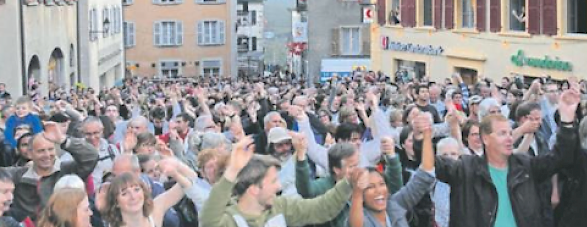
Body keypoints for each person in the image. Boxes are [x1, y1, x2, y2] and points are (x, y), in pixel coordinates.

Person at [433, 88, 580, 227]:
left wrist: (567, 122)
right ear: (485, 138)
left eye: (510, 133)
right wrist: (424, 137)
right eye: (502, 134)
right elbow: (430, 164)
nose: (510, 138)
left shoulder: (526, 167)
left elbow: (560, 158)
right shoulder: (466, 168)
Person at [200, 136, 366, 227]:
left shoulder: (281, 206)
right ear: (254, 189)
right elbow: (209, 222)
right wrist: (232, 171)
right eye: (273, 181)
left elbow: (322, 209)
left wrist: (348, 181)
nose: (279, 186)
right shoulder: (230, 220)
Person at [348, 109, 434, 227]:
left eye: (382, 184)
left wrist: (426, 136)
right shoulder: (361, 219)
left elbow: (424, 176)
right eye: (370, 187)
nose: (378, 191)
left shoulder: (394, 204)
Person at [5, 122, 98, 223]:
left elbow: (91, 157)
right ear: (30, 154)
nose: (47, 155)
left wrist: (64, 140)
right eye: (41, 151)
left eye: (50, 149)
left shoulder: (67, 170)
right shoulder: (17, 175)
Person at [98, 158, 189, 227]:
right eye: (124, 193)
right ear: (116, 202)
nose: (133, 196)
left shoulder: (155, 211)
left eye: (136, 190)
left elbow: (190, 180)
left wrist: (175, 165)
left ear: (144, 192)